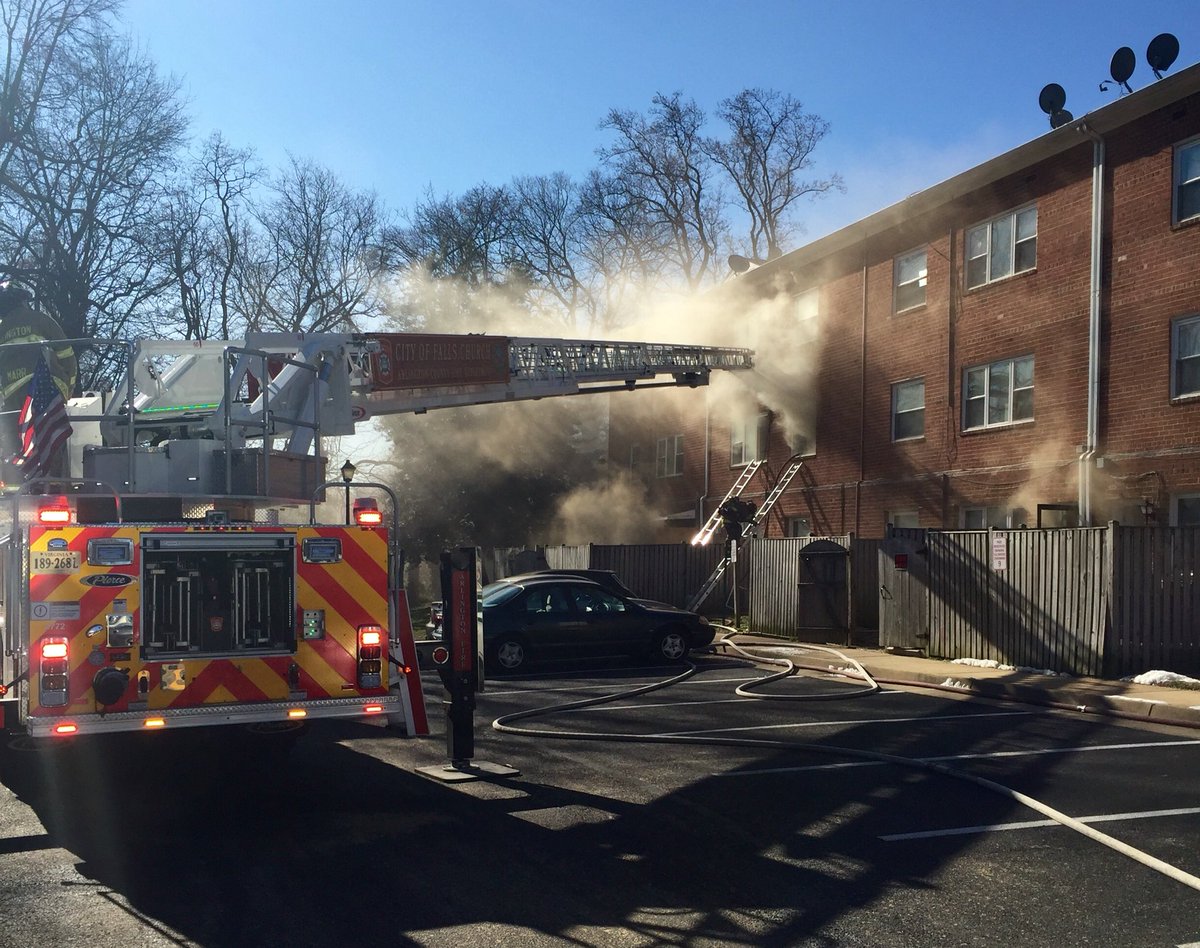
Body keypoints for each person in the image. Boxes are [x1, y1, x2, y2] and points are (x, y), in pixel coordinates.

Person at [0, 282, 78, 483]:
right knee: (53, 434)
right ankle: (54, 483)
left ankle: (17, 487)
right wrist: (68, 389)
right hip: (47, 390)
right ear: (23, 300)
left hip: (14, 398)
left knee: (16, 441)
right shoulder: (42, 320)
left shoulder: (1, 328)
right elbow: (67, 356)